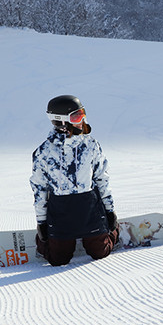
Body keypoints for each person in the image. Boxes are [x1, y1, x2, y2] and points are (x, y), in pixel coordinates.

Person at [30, 95, 119, 266]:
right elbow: (39, 189)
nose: (82, 120)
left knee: (100, 253)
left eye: (82, 114)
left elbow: (102, 179)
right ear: (62, 121)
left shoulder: (91, 145)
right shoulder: (43, 153)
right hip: (61, 211)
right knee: (58, 259)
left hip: (89, 207)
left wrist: (109, 211)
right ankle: (46, 240)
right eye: (76, 116)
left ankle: (114, 230)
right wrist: (41, 222)